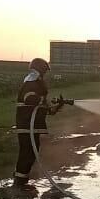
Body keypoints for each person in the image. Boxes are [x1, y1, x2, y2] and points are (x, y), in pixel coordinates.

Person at [14, 57, 62, 187]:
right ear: (39, 70)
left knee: (31, 153)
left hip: (32, 124)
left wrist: (56, 107)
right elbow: (29, 98)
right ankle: (19, 183)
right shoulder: (32, 82)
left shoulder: (35, 83)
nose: (45, 74)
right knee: (27, 153)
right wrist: (43, 101)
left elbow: (44, 108)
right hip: (27, 124)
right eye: (44, 71)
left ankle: (22, 181)